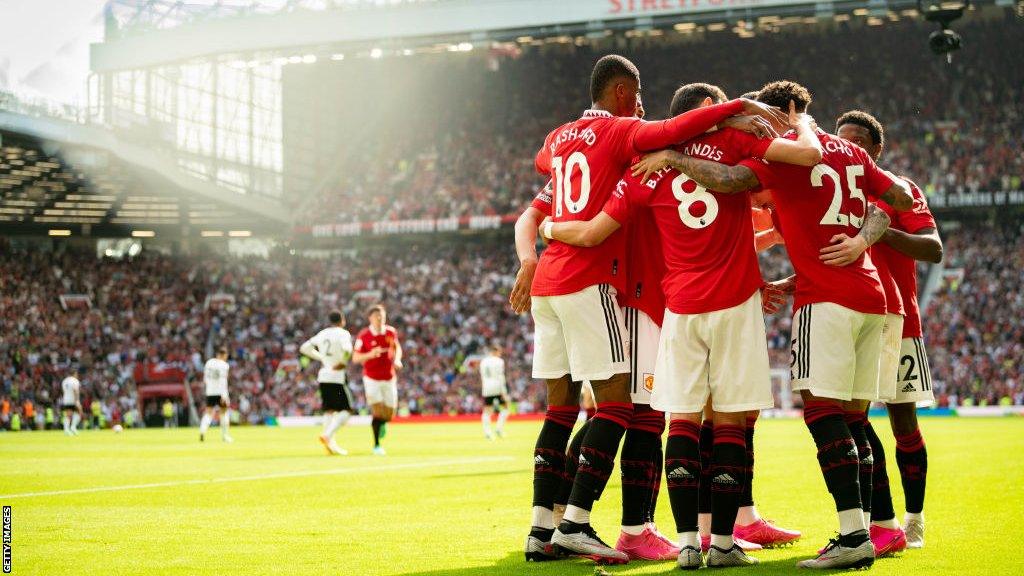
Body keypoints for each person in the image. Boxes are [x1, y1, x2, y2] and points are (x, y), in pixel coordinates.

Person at [630, 80, 913, 569]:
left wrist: (677, 157)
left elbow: (737, 185)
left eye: (767, 113)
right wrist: (864, 239)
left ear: (784, 111)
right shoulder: (848, 153)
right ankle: (865, 529)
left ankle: (844, 536)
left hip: (812, 300)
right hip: (869, 295)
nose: (759, 120)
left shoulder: (781, 153)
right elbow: (901, 196)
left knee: (812, 415)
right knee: (849, 420)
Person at [516, 54, 787, 565]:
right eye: (637, 97)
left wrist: (536, 249)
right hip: (637, 294)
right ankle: (627, 527)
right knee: (637, 415)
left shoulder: (577, 144)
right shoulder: (636, 145)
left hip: (612, 288)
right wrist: (742, 109)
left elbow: (541, 178)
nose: (642, 107)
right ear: (624, 94)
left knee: (598, 411)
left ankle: (551, 524)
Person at [837, 109, 943, 552]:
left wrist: (880, 234)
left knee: (903, 421)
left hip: (899, 321)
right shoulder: (836, 193)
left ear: (877, 150)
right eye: (843, 139)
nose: (850, 147)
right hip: (850, 320)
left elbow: (933, 249)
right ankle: (876, 521)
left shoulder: (899, 192)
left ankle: (914, 518)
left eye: (859, 140)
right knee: (851, 420)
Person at [300, 310, 355, 456]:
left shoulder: (322, 333)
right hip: (337, 376)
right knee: (347, 410)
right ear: (342, 320)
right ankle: (328, 435)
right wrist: (342, 362)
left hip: (324, 375)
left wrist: (322, 358)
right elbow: (347, 350)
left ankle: (330, 445)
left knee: (329, 410)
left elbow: (304, 348)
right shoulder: (343, 334)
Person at [353, 304, 402, 456]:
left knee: (390, 413)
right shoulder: (364, 335)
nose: (379, 319)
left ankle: (382, 424)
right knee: (377, 411)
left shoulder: (390, 332)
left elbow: (397, 347)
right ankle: (376, 445)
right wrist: (370, 354)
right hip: (372, 378)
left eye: (382, 315)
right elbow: (355, 358)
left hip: (389, 377)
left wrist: (398, 359)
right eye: (376, 316)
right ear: (370, 318)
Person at [199, 347, 234, 443]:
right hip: (220, 392)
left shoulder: (208, 363)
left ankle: (202, 431)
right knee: (224, 413)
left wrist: (209, 388)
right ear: (223, 355)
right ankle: (225, 436)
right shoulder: (224, 365)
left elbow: (205, 379)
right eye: (226, 356)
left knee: (208, 413)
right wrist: (224, 395)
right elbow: (223, 380)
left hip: (209, 392)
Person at [479, 345, 510, 439]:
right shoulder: (499, 361)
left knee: (487, 410)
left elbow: (482, 376)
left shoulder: (483, 361)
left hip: (487, 388)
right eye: (499, 352)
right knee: (506, 407)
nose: (500, 354)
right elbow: (500, 376)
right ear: (496, 351)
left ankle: (487, 433)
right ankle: (499, 429)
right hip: (497, 387)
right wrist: (504, 391)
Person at [60, 369, 82, 436]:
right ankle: (73, 427)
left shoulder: (64, 381)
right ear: (75, 373)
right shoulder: (75, 381)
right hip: (73, 399)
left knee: (68, 415)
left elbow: (63, 391)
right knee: (79, 412)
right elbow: (75, 390)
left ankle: (66, 429)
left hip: (66, 399)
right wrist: (77, 401)